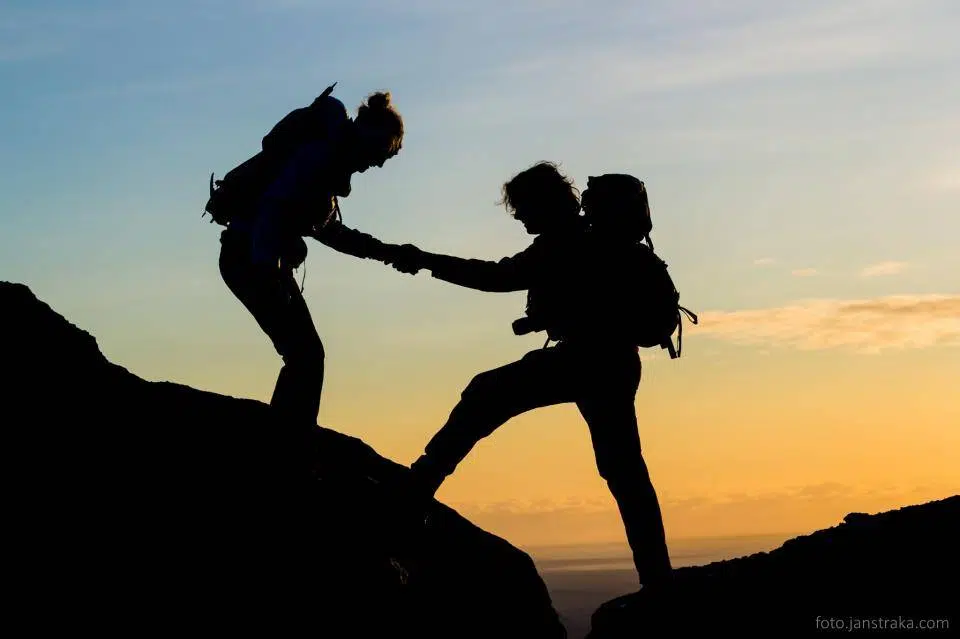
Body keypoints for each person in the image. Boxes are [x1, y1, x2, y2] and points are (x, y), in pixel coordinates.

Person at [387, 161, 675, 597]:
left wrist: (426, 261)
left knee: (487, 393)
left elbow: (495, 277)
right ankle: (658, 577)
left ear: (543, 203)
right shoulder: (587, 239)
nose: (520, 217)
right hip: (615, 362)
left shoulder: (564, 243)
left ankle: (419, 485)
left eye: (522, 208)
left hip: (586, 360)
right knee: (624, 470)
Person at [210, 83, 410, 425]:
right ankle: (288, 447)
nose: (377, 164)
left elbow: (328, 230)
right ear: (370, 135)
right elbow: (274, 208)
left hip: (252, 259)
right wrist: (268, 270)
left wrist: (387, 252)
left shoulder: (327, 160)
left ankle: (288, 442)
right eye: (382, 153)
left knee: (305, 355)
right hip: (251, 260)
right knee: (305, 356)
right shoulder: (320, 157)